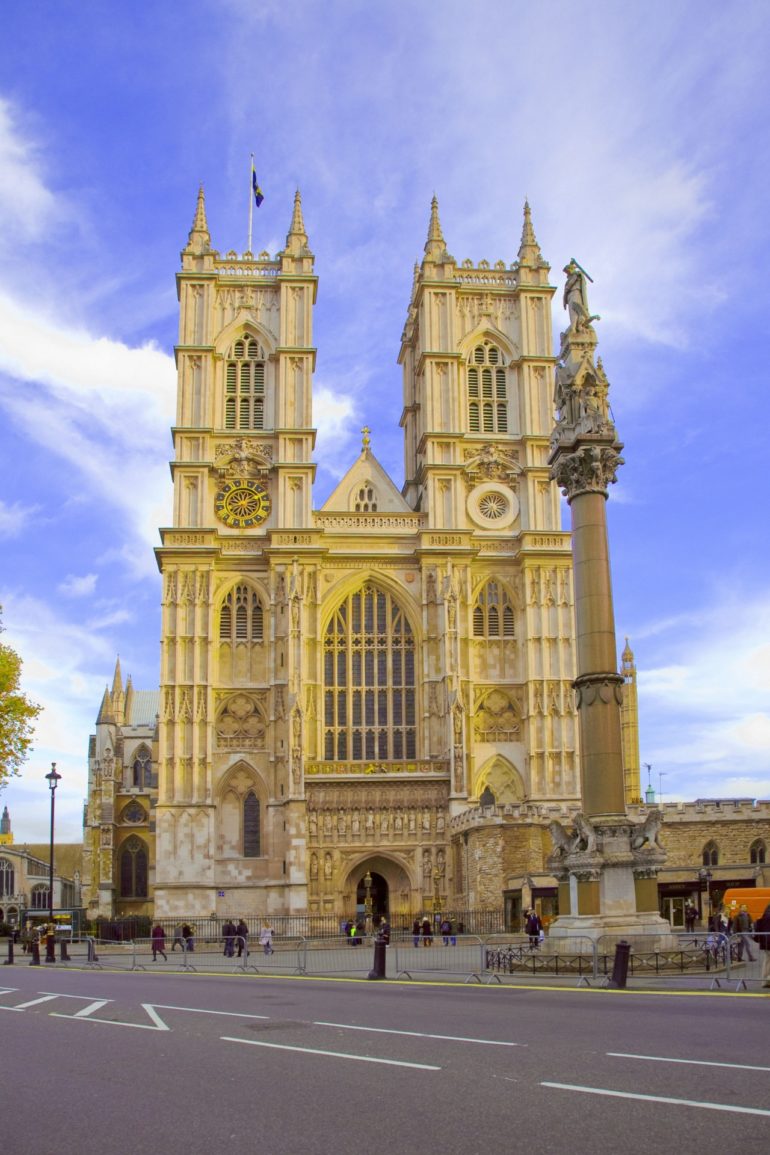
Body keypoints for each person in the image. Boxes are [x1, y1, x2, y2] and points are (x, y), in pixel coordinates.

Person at [754, 902, 770, 987]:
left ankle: (765, 981)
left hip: (765, 942)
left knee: (767, 961)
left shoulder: (763, 917)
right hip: (769, 942)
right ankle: (767, 979)